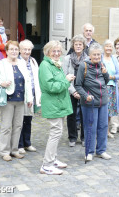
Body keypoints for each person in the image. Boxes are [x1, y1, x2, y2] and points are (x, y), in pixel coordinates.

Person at [0, 41, 33, 162]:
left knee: (18, 126)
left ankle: (14, 150)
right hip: (8, 99)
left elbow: (27, 82)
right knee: (6, 126)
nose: (14, 52)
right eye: (11, 49)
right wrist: (1, 83)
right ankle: (5, 151)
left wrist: (29, 98)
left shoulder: (22, 63)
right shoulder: (1, 64)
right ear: (6, 51)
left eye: (16, 49)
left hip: (21, 99)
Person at [39, 41, 75, 175]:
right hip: (52, 103)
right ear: (47, 52)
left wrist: (65, 80)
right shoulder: (45, 65)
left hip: (59, 103)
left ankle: (52, 159)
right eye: (53, 51)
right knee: (55, 132)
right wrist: (67, 80)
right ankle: (47, 165)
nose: (56, 53)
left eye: (59, 51)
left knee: (58, 132)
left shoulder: (55, 64)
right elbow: (51, 86)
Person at [75, 43, 111, 161]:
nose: (97, 57)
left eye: (98, 54)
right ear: (89, 55)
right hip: (89, 103)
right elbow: (78, 85)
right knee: (90, 127)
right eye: (94, 54)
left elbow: (105, 81)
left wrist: (105, 73)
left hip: (103, 101)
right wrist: (86, 96)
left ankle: (101, 150)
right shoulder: (83, 66)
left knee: (103, 126)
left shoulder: (102, 64)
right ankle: (89, 152)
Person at [63, 34, 87, 147]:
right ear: (73, 45)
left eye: (80, 44)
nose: (78, 46)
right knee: (71, 115)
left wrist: (81, 92)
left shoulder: (88, 59)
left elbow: (89, 77)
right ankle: (72, 137)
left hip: (84, 90)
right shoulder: (67, 59)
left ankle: (84, 137)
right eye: (76, 44)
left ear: (83, 46)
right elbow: (65, 76)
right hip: (71, 90)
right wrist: (73, 91)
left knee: (84, 115)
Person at [18, 40, 41, 154]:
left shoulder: (33, 61)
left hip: (31, 94)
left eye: (29, 49)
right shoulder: (17, 61)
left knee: (28, 119)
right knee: (20, 120)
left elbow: (36, 78)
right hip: (21, 95)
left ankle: (27, 143)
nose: (27, 52)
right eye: (24, 49)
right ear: (20, 50)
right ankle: (19, 144)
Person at [102, 40, 119, 138]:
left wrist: (111, 77)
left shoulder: (114, 59)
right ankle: (100, 130)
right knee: (102, 109)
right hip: (102, 87)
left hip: (112, 87)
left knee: (110, 111)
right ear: (103, 47)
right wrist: (106, 76)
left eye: (110, 46)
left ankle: (107, 130)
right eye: (107, 46)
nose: (109, 48)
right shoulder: (100, 58)